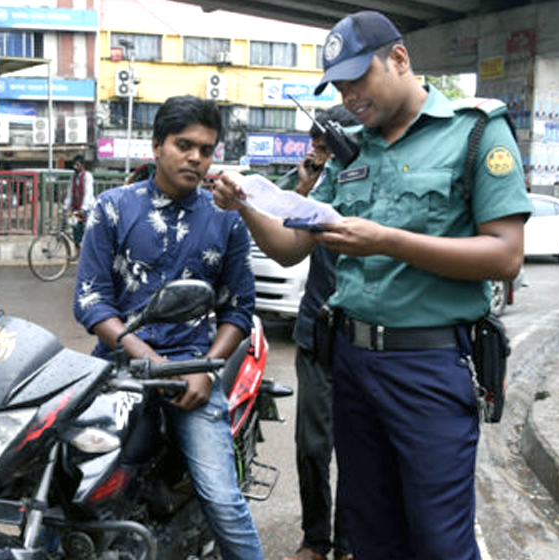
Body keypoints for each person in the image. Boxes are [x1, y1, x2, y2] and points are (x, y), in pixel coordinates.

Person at [213, 11, 530, 560]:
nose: (349, 95)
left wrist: (387, 240)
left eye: (359, 78)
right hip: (353, 367)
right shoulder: (352, 150)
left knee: (438, 540)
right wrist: (244, 203)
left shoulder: (475, 130)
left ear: (400, 59)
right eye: (339, 85)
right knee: (369, 534)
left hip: (428, 366)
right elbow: (291, 249)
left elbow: (505, 254)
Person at [73, 95, 264, 560]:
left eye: (206, 148)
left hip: (191, 376)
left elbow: (239, 308)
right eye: (184, 145)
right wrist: (148, 360)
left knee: (221, 497)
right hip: (115, 370)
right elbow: (91, 300)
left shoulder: (227, 219)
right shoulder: (112, 208)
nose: (196, 157)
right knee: (65, 478)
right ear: (157, 146)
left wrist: (207, 370)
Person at [283, 106, 358, 560]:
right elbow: (290, 243)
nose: (318, 156)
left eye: (326, 149)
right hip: (315, 333)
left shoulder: (366, 186)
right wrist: (304, 187)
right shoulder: (313, 189)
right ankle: (315, 540)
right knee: (312, 446)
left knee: (354, 450)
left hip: (357, 336)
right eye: (314, 148)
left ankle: (349, 543)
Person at [64, 154, 94, 246]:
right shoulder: (73, 177)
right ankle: (77, 254)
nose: (75, 167)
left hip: (87, 208)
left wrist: (83, 208)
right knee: (75, 230)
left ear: (82, 165)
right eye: (74, 165)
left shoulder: (87, 176)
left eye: (77, 165)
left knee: (86, 232)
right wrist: (65, 206)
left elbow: (88, 193)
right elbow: (70, 193)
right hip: (76, 208)